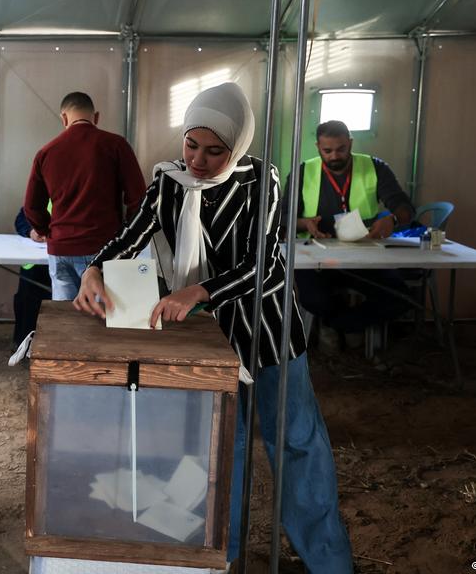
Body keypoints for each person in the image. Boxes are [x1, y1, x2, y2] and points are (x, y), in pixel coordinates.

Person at [74, 83, 354, 572]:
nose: (198, 160)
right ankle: (221, 556)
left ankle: (328, 560)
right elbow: (130, 233)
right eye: (190, 145)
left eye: (214, 150)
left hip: (267, 335)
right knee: (220, 448)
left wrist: (198, 291)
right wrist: (94, 268)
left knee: (295, 443)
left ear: (237, 146)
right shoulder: (168, 183)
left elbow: (265, 264)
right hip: (207, 343)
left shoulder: (259, 181)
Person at [285, 120, 414, 336]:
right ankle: (348, 327)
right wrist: (304, 223)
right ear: (318, 147)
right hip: (316, 256)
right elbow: (282, 217)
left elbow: (406, 208)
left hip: (363, 255)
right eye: (327, 150)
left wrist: (393, 219)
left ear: (351, 143)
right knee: (313, 299)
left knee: (400, 297)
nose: (334, 156)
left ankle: (341, 326)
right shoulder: (303, 171)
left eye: (341, 149)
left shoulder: (375, 167)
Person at [23, 91, 146, 301]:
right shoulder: (116, 145)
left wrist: (47, 231)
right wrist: (127, 236)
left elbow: (31, 207)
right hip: (105, 247)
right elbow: (139, 199)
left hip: (61, 248)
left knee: (65, 320)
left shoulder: (46, 152)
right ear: (95, 117)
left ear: (63, 118)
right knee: (101, 319)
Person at [11, 207, 51, 349]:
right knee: (26, 302)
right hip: (34, 264)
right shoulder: (43, 193)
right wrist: (31, 232)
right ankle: (23, 346)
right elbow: (21, 219)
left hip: (63, 262)